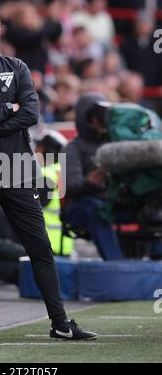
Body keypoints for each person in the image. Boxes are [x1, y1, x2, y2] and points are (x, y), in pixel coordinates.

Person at [0, 5, 97, 340]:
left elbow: (30, 113)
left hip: (17, 168)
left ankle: (59, 323)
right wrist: (3, 110)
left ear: (0, 33)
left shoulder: (18, 68)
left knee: (40, 247)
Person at [63, 93, 124, 260]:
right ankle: (116, 264)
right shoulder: (72, 148)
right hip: (80, 207)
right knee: (96, 208)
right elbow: (69, 186)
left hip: (111, 204)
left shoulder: (113, 144)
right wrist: (89, 182)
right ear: (86, 119)